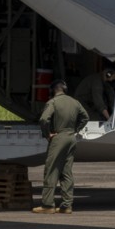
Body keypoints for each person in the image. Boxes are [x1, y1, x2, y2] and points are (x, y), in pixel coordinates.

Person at [32, 80, 89, 214]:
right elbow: (85, 117)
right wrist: (75, 129)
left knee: (51, 169)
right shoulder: (75, 102)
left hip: (58, 137)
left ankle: (47, 204)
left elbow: (43, 119)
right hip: (71, 137)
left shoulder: (53, 102)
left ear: (53, 90)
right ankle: (67, 205)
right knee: (66, 171)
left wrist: (47, 134)